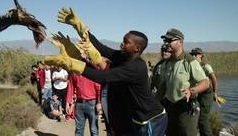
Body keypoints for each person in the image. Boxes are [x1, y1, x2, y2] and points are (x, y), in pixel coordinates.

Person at [43, 7, 168, 136]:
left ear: (137, 48)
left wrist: (71, 63)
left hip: (151, 119)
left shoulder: (136, 67)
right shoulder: (122, 56)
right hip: (136, 119)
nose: (121, 44)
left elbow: (103, 77)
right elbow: (101, 48)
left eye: (126, 42)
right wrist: (79, 26)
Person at [157, 28, 210, 136]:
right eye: (165, 41)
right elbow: (163, 85)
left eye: (170, 40)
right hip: (170, 108)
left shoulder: (189, 61)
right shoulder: (167, 62)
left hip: (186, 109)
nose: (167, 43)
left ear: (180, 42)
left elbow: (205, 83)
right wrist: (153, 103)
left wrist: (192, 90)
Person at [190, 47, 219, 136]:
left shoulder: (205, 66)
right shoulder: (193, 66)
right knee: (197, 117)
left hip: (206, 94)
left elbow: (214, 80)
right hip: (198, 93)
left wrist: (215, 93)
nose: (193, 56)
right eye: (192, 55)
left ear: (201, 56)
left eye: (196, 54)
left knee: (203, 118)